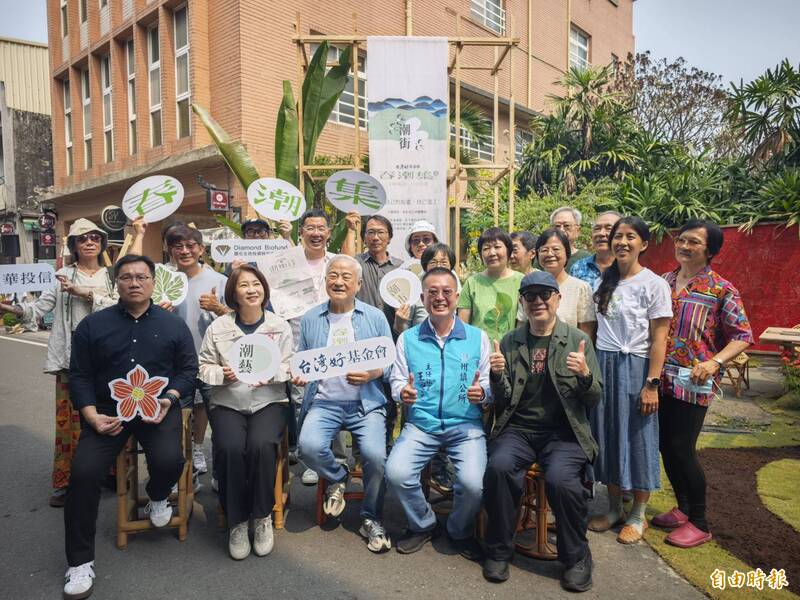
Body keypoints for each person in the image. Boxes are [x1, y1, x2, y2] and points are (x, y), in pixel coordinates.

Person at [62, 254, 197, 600]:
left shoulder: (172, 325)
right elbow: (79, 375)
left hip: (157, 409)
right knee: (83, 474)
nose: (134, 283)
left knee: (170, 461)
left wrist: (170, 397)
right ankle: (79, 562)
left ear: (153, 282)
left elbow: (187, 369)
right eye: (126, 277)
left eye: (141, 276)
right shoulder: (93, 326)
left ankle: (156, 495)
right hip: (108, 414)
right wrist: (91, 415)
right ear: (115, 284)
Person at [483, 271, 602, 589]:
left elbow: (594, 398)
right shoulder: (511, 340)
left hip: (564, 433)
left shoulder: (578, 340)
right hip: (518, 429)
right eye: (530, 296)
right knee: (499, 467)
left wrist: (585, 376)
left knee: (563, 481)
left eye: (544, 294)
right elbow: (504, 399)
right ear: (522, 301)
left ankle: (576, 557)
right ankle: (497, 550)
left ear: (558, 299)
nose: (538, 301)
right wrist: (496, 375)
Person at [0, 218, 128, 507]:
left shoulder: (112, 276)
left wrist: (84, 293)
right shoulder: (61, 276)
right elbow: (38, 308)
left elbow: (122, 306)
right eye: (82, 239)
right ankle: (66, 481)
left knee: (112, 418)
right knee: (69, 424)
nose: (90, 242)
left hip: (109, 361)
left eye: (95, 237)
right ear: (73, 245)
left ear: (102, 243)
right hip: (72, 360)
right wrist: (10, 308)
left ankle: (110, 473)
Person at [655, 220, 753, 548]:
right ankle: (682, 508)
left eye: (693, 242)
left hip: (692, 382)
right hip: (660, 379)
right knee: (664, 445)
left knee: (683, 447)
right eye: (681, 239)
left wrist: (714, 362)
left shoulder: (721, 289)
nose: (684, 245)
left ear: (709, 250)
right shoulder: (664, 282)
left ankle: (700, 521)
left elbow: (742, 336)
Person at [387, 268, 491, 558]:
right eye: (432, 292)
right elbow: (396, 379)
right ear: (422, 298)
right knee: (396, 473)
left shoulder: (477, 337)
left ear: (457, 297)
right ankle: (424, 523)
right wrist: (401, 393)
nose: (440, 297)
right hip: (421, 425)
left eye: (446, 291)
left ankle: (459, 530)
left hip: (466, 426)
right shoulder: (408, 339)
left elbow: (486, 384)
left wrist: (482, 393)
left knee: (473, 483)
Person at [295, 255, 393, 553]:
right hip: (325, 403)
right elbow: (302, 359)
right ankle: (339, 476)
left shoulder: (374, 317)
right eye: (333, 275)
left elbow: (389, 363)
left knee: (376, 457)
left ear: (359, 284)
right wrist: (300, 374)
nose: (338, 281)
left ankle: (371, 516)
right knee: (307, 447)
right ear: (325, 281)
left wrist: (372, 373)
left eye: (346, 277)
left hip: (366, 404)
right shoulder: (311, 318)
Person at [198, 265, 293, 560]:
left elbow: (289, 365)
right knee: (229, 447)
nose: (252, 290)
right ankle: (238, 521)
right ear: (233, 293)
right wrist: (221, 375)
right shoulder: (219, 327)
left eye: (256, 284)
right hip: (228, 401)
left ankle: (262, 516)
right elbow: (203, 366)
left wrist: (273, 374)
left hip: (268, 400)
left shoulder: (280, 326)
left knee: (261, 445)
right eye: (244, 285)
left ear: (264, 289)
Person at [588, 216, 672, 544]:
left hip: (637, 368)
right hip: (605, 365)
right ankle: (612, 509)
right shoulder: (603, 283)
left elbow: (660, 339)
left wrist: (651, 384)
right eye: (617, 236)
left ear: (644, 244)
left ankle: (638, 515)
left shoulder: (654, 284)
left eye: (630, 236)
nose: (622, 242)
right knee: (607, 437)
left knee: (639, 439)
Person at [164, 225, 228, 477]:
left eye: (191, 246)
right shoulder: (163, 281)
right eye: (178, 246)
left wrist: (217, 307)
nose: (184, 251)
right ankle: (184, 472)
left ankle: (216, 469)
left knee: (218, 416)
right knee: (178, 415)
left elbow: (239, 319)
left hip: (213, 359)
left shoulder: (219, 281)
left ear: (201, 249)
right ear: (170, 250)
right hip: (176, 362)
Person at [457, 227, 523, 344]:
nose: (491, 253)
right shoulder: (472, 283)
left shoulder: (521, 281)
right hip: (479, 355)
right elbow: (463, 326)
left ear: (509, 250)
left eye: (497, 247)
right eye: (486, 248)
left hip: (510, 354)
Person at [526, 228, 596, 338]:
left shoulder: (581, 288)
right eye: (544, 250)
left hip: (569, 352)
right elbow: (521, 325)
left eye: (556, 249)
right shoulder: (529, 286)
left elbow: (586, 332)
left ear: (567, 253)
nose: (550, 254)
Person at [570, 211, 622, 288]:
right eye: (597, 229)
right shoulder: (578, 267)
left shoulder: (627, 268)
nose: (601, 233)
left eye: (609, 228)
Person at [550, 206, 591, 271]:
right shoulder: (545, 257)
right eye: (557, 226)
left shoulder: (586, 259)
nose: (561, 230)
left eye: (567, 225)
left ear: (578, 230)